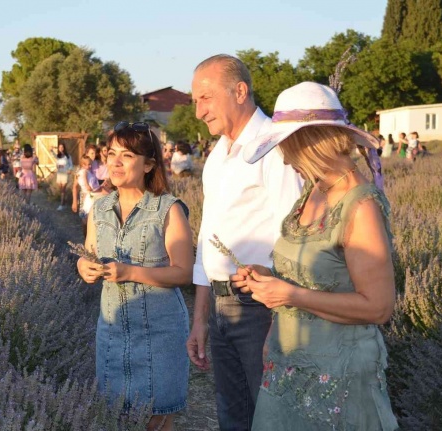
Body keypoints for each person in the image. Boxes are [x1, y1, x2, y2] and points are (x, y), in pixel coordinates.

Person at [233, 81, 397, 430]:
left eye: (284, 145)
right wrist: (269, 277)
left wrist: (289, 294)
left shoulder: (359, 204)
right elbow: (311, 275)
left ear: (305, 142)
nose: (283, 156)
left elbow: (379, 307)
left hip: (338, 374)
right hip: (288, 363)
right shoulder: (314, 190)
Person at [186, 54, 303, 431]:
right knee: (232, 415)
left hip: (260, 309)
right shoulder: (218, 156)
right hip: (222, 307)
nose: (199, 112)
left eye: (205, 98)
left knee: (271, 416)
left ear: (240, 91)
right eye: (194, 102)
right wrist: (200, 319)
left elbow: (295, 240)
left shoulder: (275, 148)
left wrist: (280, 321)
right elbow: (208, 242)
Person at [77, 121, 194, 431]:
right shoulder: (99, 209)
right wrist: (83, 267)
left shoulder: (167, 209)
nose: (114, 162)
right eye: (111, 153)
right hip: (113, 331)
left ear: (149, 164)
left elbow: (183, 272)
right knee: (117, 416)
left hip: (159, 331)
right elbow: (89, 252)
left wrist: (131, 272)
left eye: (126, 155)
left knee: (155, 419)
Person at [54, 142, 73, 210]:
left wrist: (70, 170)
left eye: (62, 147)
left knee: (63, 189)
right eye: (59, 147)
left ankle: (61, 205)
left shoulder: (67, 156)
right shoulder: (58, 156)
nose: (61, 149)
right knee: (60, 189)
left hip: (65, 173)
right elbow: (52, 153)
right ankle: (64, 202)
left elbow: (71, 165)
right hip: (59, 173)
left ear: (64, 148)